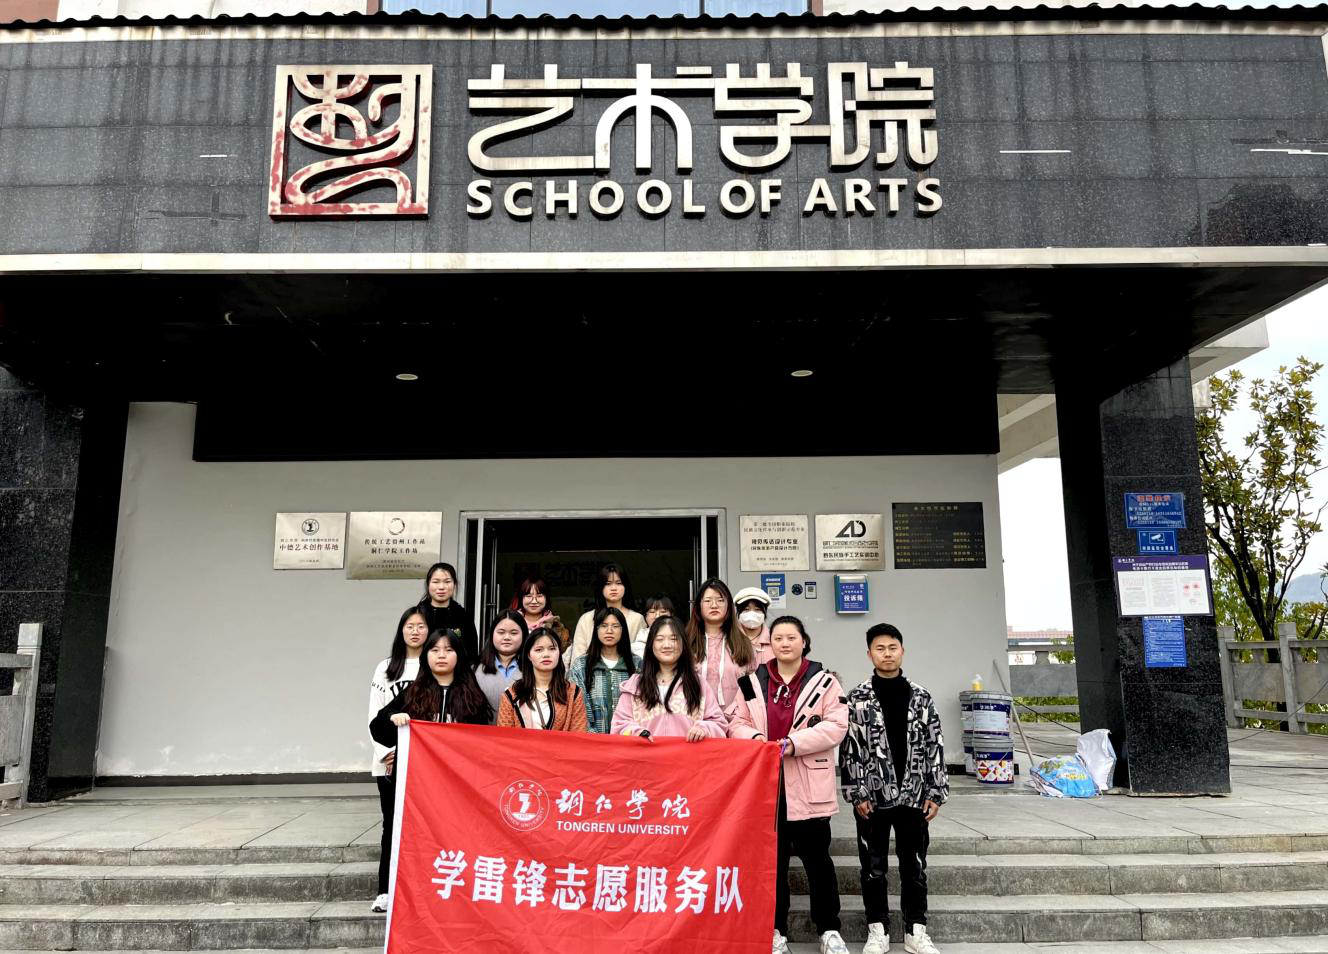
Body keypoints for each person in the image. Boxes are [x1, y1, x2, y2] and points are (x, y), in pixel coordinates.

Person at [728, 616, 849, 954]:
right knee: (773, 863)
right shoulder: (751, 682)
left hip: (807, 784)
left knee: (818, 861)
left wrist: (793, 744)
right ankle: (775, 930)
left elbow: (836, 725)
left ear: (803, 642)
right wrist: (756, 738)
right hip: (766, 786)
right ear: (770, 644)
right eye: (778, 638)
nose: (784, 643)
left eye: (791, 637)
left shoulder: (825, 682)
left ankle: (829, 930)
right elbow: (735, 721)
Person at [840, 623, 948, 954]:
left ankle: (916, 931)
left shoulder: (921, 696)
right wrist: (857, 793)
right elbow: (849, 748)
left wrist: (936, 791)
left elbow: (935, 744)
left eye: (892, 647)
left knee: (914, 866)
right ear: (869, 654)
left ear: (902, 651)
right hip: (872, 799)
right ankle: (878, 930)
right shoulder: (857, 698)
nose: (887, 654)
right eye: (880, 648)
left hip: (915, 796)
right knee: (873, 868)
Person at [368, 629, 493, 911]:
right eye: (435, 650)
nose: (441, 656)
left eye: (448, 650)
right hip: (415, 784)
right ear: (426, 656)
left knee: (454, 835)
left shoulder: (471, 695)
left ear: (459, 656)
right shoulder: (414, 692)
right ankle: (387, 890)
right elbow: (378, 728)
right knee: (398, 831)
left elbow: (483, 743)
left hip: (456, 786)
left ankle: (452, 891)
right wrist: (393, 717)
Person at [366, 607, 428, 913]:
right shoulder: (386, 667)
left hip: (424, 763)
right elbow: (374, 712)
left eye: (421, 626)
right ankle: (385, 890)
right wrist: (385, 752)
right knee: (391, 824)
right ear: (401, 630)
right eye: (409, 626)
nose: (415, 631)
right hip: (389, 760)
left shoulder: (433, 664)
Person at [611, 616, 726, 740]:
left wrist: (704, 728)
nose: (667, 645)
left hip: (687, 753)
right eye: (660, 639)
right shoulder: (636, 686)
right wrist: (636, 732)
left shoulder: (698, 684)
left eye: (674, 639)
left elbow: (719, 724)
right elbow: (619, 725)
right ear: (651, 644)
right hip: (646, 752)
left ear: (683, 644)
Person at [496, 628, 589, 732]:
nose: (546, 654)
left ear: (559, 652)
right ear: (529, 655)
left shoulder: (573, 693)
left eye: (552, 649)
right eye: (539, 650)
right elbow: (504, 737)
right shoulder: (511, 695)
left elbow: (578, 736)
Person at [685, 578, 754, 714]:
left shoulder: (743, 643)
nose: (714, 605)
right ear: (698, 606)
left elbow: (751, 689)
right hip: (695, 718)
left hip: (735, 719)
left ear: (729, 606)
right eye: (708, 600)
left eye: (720, 600)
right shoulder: (686, 642)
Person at [568, 607, 641, 734]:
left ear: (623, 630)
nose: (609, 631)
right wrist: (594, 738)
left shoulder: (637, 664)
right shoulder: (581, 665)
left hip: (629, 739)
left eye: (615, 626)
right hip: (592, 741)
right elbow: (578, 709)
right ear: (596, 629)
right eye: (604, 626)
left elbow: (643, 708)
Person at [567, 563, 645, 665]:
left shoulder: (637, 619)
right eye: (608, 583)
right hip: (590, 672)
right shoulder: (586, 619)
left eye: (618, 583)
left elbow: (641, 655)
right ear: (600, 587)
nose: (614, 588)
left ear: (625, 586)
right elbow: (577, 656)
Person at [417, 562, 480, 660]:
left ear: (454, 584)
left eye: (447, 582)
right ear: (428, 584)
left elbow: (472, 652)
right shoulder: (418, 614)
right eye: (436, 582)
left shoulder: (462, 615)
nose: (441, 587)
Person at [474, 610, 529, 717]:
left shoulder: (532, 668)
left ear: (524, 635)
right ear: (492, 634)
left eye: (514, 633)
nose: (507, 637)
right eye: (501, 632)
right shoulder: (475, 668)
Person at [511, 576, 571, 651]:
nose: (534, 601)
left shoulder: (556, 627)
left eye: (539, 596)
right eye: (528, 596)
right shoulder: (511, 622)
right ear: (521, 598)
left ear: (546, 598)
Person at [733, 586, 775, 667]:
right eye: (746, 609)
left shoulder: (774, 638)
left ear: (764, 612)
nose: (752, 614)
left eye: (757, 609)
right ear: (738, 612)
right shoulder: (729, 639)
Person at [636, 594, 676, 658]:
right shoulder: (640, 638)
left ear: (671, 615)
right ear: (645, 616)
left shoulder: (679, 635)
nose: (657, 616)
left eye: (663, 611)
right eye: (652, 612)